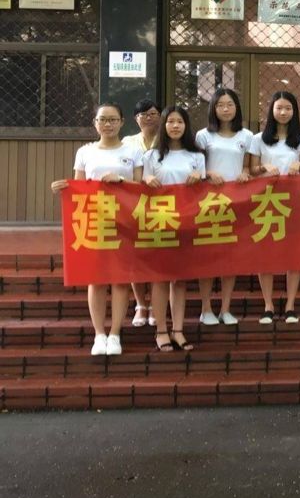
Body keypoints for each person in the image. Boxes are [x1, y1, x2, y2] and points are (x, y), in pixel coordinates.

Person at [51, 102, 143, 356]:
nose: (107, 124)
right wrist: (63, 188)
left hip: (125, 222)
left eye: (113, 119)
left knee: (121, 279)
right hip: (95, 221)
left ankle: (115, 333)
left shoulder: (133, 151)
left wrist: (121, 180)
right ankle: (99, 334)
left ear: (122, 122)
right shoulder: (85, 151)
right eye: (102, 119)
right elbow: (79, 188)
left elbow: (141, 186)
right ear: (95, 123)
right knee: (96, 278)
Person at [143, 105, 205, 352]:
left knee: (180, 280)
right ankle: (160, 330)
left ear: (186, 126)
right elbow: (140, 184)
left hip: (187, 224)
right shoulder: (151, 156)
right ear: (163, 125)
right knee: (160, 279)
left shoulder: (197, 156)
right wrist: (146, 179)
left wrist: (199, 177)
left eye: (180, 121)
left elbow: (204, 188)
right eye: (171, 121)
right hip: (160, 222)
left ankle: (178, 330)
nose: (175, 126)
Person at [249, 91, 300, 325]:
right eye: (279, 108)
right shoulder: (258, 139)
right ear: (271, 110)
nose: (283, 112)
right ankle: (268, 305)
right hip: (266, 201)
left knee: (293, 255)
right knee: (266, 254)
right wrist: (264, 168)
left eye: (288, 108)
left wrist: (299, 166)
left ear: (294, 111)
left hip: (293, 201)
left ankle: (290, 305)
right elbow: (252, 169)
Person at [195, 88, 253, 326]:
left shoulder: (247, 136)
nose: (226, 109)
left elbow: (248, 166)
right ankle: (206, 308)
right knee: (208, 258)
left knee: (231, 258)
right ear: (213, 109)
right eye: (220, 105)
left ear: (237, 107)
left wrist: (245, 174)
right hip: (209, 203)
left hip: (236, 203)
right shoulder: (203, 136)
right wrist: (209, 173)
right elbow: (196, 166)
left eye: (230, 104)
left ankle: (225, 309)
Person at [123, 98, 161, 328]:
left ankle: (156, 304)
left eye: (153, 113)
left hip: (163, 206)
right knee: (135, 256)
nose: (148, 118)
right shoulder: (127, 142)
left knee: (158, 256)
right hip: (134, 205)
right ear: (136, 119)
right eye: (143, 114)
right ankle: (140, 304)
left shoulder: (167, 139)